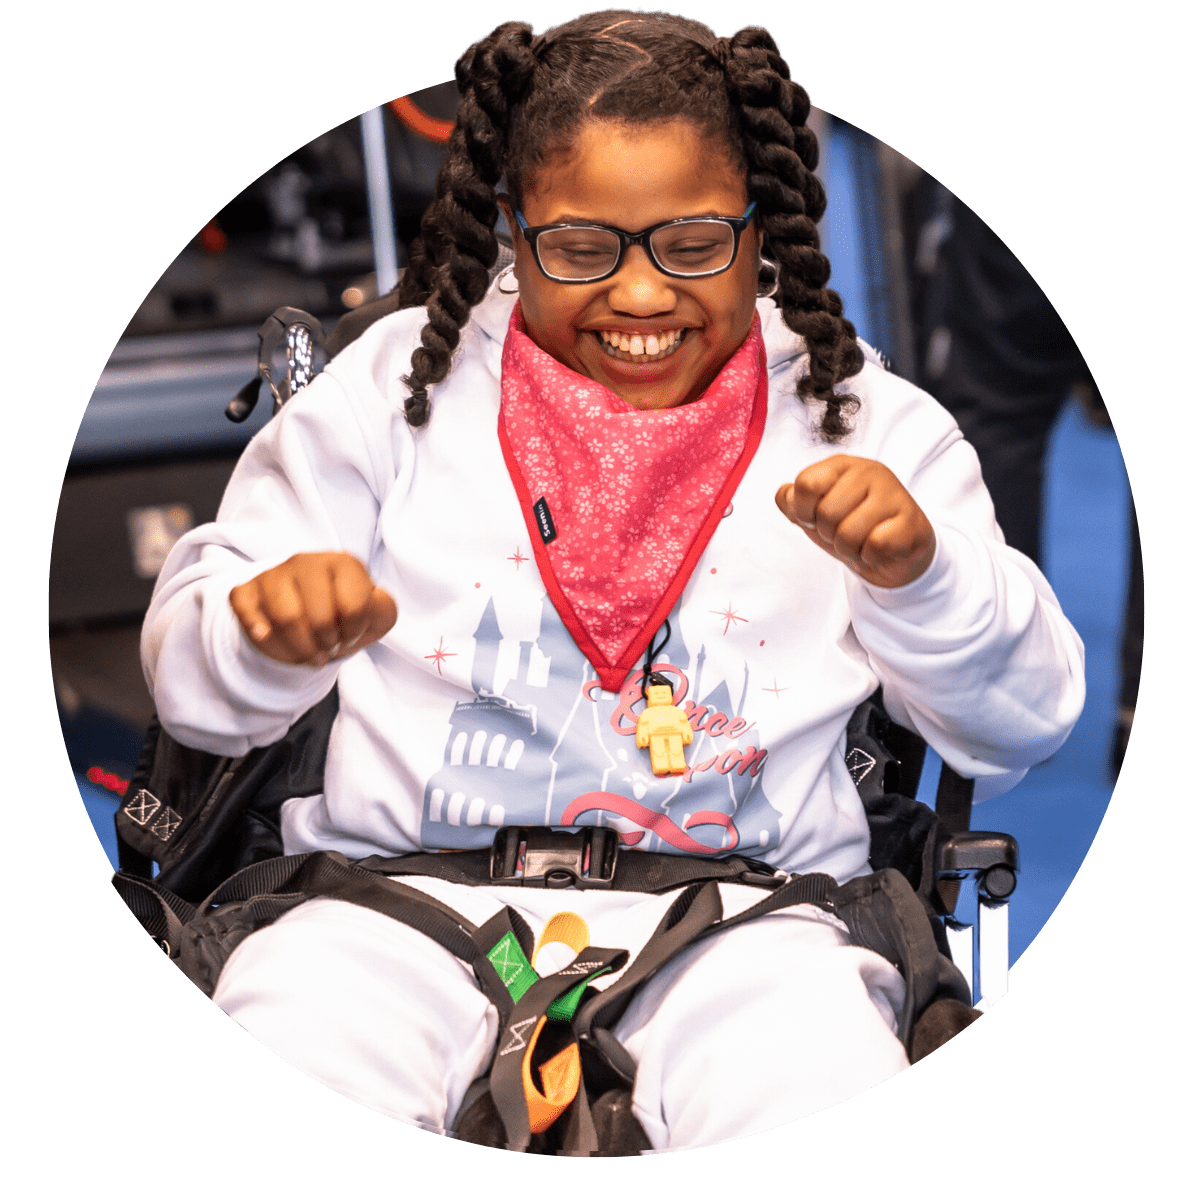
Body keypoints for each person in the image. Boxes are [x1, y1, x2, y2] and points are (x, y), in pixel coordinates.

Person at [141, 10, 1084, 1153]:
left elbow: (1020, 724)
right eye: (580, 248)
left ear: (761, 230)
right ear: (513, 229)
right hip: (391, 903)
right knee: (289, 1047)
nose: (639, 297)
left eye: (691, 243)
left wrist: (923, 577)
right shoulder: (389, 394)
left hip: (750, 918)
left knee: (815, 1079)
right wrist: (257, 637)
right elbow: (197, 700)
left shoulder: (865, 425)